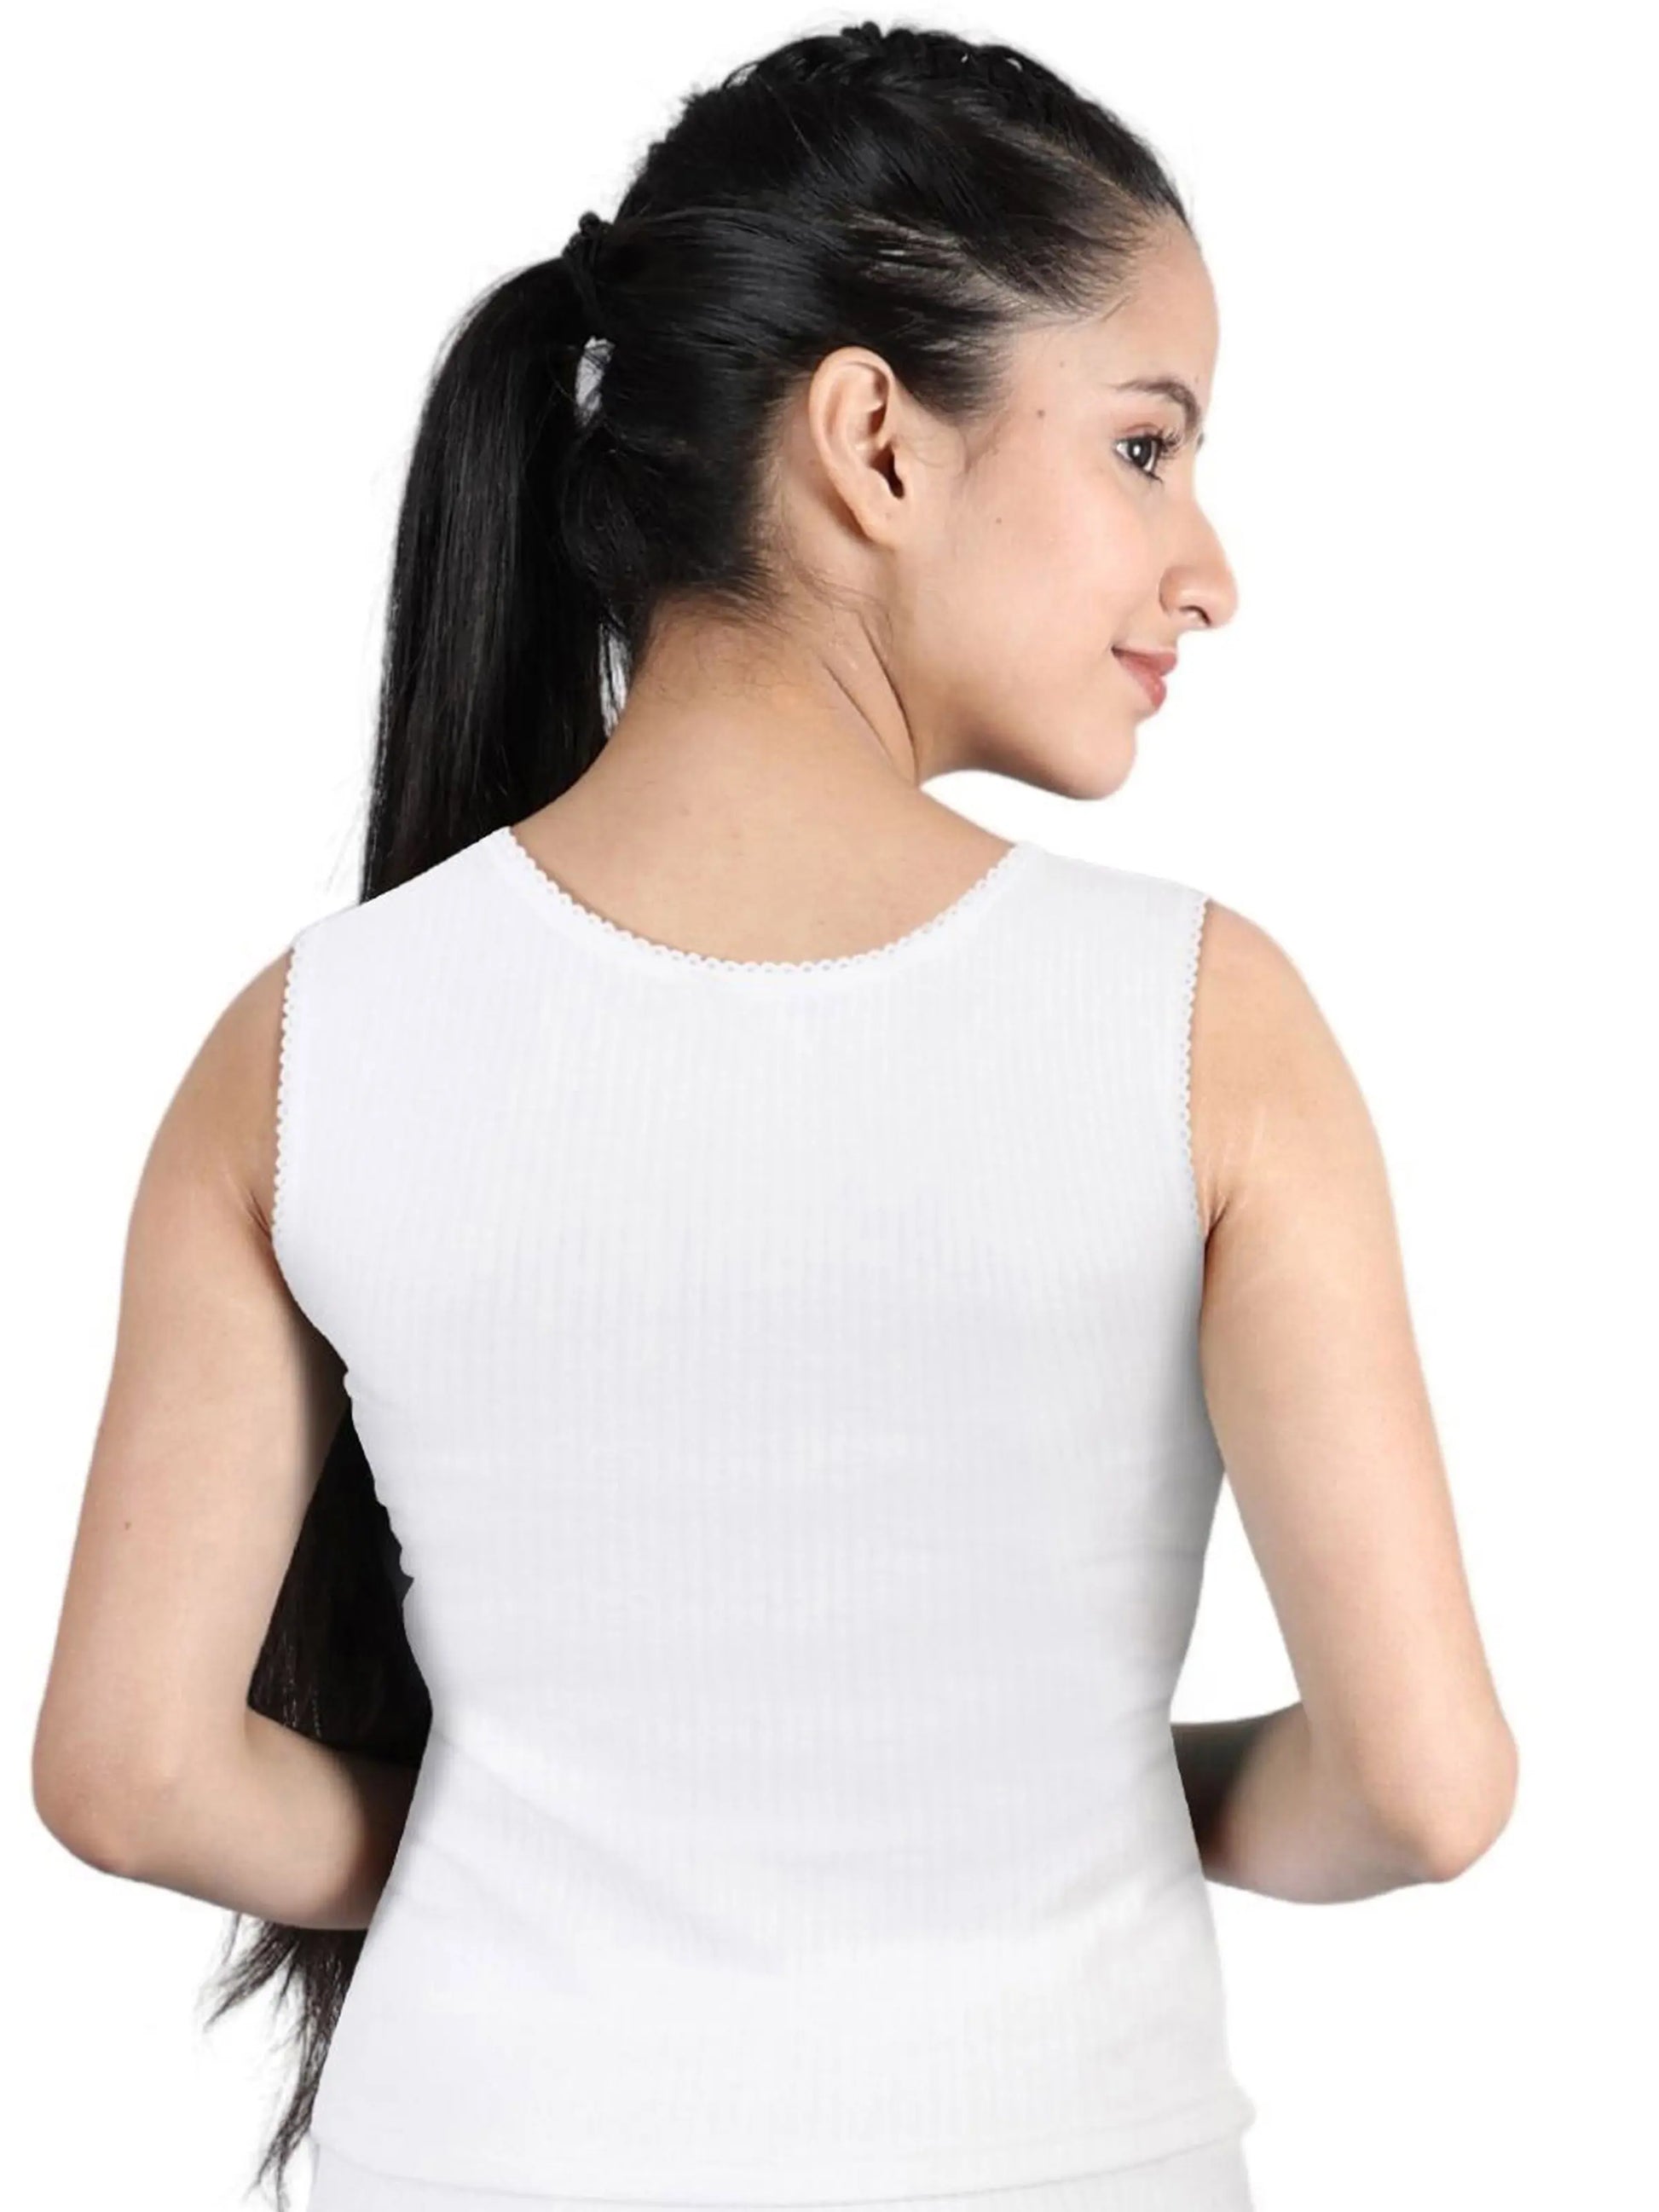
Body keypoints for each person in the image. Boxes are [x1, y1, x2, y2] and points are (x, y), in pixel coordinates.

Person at [30, 20, 1517, 2212]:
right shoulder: (1205, 1027)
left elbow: (132, 1771)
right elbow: (1421, 1783)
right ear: (873, 442)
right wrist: (1073, 1789)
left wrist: (528, 1832)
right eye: (1143, 444)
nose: (1206, 565)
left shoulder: (301, 1044)